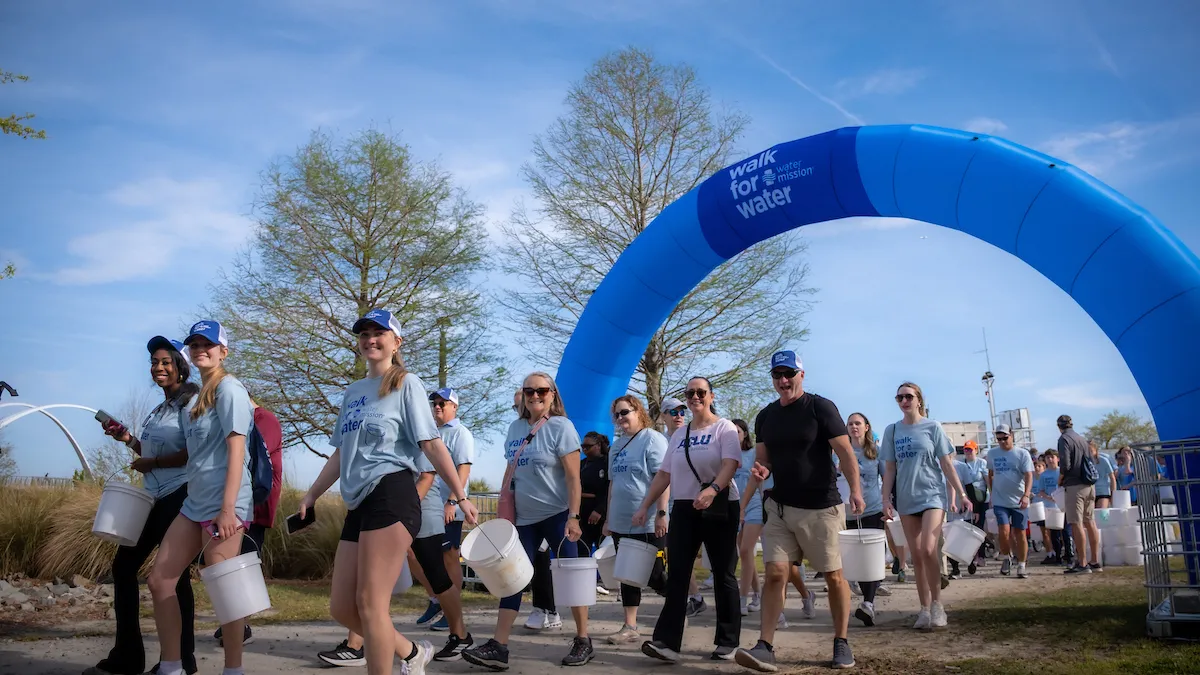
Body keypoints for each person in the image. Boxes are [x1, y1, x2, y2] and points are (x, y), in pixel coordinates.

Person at [298, 309, 477, 675]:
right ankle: (410, 651)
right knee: (341, 608)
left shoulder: (405, 383)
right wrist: (311, 494)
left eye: (379, 332)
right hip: (358, 501)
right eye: (364, 333)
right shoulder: (353, 392)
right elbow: (341, 452)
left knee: (370, 604)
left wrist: (460, 495)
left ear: (397, 342)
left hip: (392, 493)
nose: (370, 339)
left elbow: (431, 444)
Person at [735, 351, 861, 672]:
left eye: (789, 373)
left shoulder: (821, 408)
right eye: (777, 375)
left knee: (834, 576)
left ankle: (841, 641)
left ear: (801, 374)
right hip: (779, 507)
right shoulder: (765, 416)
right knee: (776, 572)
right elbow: (763, 461)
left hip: (822, 506)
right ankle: (765, 646)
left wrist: (856, 491)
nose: (783, 380)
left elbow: (845, 453)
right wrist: (758, 479)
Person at [461, 372, 593, 670]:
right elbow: (511, 472)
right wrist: (503, 512)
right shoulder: (515, 428)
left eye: (542, 390)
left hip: (557, 514)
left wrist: (574, 517)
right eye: (529, 390)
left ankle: (583, 639)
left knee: (570, 577)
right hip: (523, 519)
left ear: (553, 394)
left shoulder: (562, 427)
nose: (535, 395)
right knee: (512, 580)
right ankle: (499, 646)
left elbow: (574, 479)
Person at [84, 337, 200, 675]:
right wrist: (127, 439)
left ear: (180, 365)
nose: (158, 367)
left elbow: (196, 451)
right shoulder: (160, 407)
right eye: (154, 361)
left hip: (180, 494)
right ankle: (128, 657)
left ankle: (180, 660)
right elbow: (149, 456)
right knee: (124, 567)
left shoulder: (191, 402)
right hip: (154, 497)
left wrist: (155, 464)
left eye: (165, 361)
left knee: (174, 578)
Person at [145, 321, 254, 675]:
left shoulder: (229, 390)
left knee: (225, 591)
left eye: (207, 344)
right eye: (194, 344)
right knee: (160, 580)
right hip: (194, 504)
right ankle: (172, 666)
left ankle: (233, 669)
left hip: (226, 505)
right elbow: (196, 456)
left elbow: (236, 452)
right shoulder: (196, 401)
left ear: (223, 351)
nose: (199, 349)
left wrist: (227, 510)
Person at [633, 376, 741, 663]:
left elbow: (731, 463)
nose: (694, 397)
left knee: (723, 572)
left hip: (719, 504)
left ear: (711, 396)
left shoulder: (724, 427)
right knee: (678, 573)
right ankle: (667, 642)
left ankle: (728, 641)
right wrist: (646, 505)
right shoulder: (679, 435)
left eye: (700, 392)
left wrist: (713, 489)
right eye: (689, 393)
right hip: (684, 506)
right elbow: (665, 474)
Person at [881, 382, 971, 632]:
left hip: (932, 495)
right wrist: (886, 500)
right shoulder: (892, 431)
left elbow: (947, 464)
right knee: (916, 554)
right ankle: (923, 608)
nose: (904, 401)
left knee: (929, 548)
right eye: (899, 397)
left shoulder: (933, 427)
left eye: (908, 396)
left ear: (919, 399)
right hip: (906, 498)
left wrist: (962, 494)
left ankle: (937, 606)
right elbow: (889, 469)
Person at [215, 399, 283, 648]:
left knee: (243, 562)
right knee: (233, 563)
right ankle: (234, 622)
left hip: (255, 503)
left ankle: (239, 625)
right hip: (239, 501)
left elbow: (249, 456)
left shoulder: (264, 419)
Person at [601, 395, 669, 645]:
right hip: (621, 521)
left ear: (638, 412)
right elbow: (612, 484)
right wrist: (608, 519)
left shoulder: (652, 439)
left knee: (655, 575)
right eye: (616, 415)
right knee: (628, 575)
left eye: (625, 412)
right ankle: (630, 626)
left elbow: (663, 477)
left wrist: (661, 514)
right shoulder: (617, 446)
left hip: (648, 520)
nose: (620, 419)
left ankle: (678, 606)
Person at [411, 387, 476, 632]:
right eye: (434, 403)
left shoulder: (460, 433)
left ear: (454, 407)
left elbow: (463, 469)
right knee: (412, 553)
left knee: (449, 557)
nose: (437, 407)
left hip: (448, 506)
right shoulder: (429, 433)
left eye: (443, 403)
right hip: (427, 506)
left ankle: (452, 613)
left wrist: (451, 501)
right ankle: (437, 599)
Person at [658, 396, 708, 617]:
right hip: (669, 507)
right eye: (673, 412)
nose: (678, 416)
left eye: (681, 411)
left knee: (682, 557)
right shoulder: (660, 441)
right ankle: (692, 598)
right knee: (676, 558)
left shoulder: (691, 435)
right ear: (663, 416)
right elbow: (661, 477)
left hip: (694, 503)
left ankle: (694, 598)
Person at [846, 412, 886, 627]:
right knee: (856, 560)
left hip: (872, 509)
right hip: (847, 513)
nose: (854, 427)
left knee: (869, 558)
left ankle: (868, 604)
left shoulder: (876, 452)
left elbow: (886, 478)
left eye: (858, 423)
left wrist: (889, 503)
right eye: (850, 424)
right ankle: (864, 596)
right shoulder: (839, 452)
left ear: (867, 427)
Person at [986, 424, 1034, 580]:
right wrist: (992, 494)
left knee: (1020, 533)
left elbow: (1028, 475)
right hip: (1000, 500)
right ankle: (1006, 558)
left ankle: (1022, 564)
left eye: (1004, 438)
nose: (1001, 442)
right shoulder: (992, 453)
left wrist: (1026, 495)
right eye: (998, 439)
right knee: (1003, 531)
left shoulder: (1022, 454)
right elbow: (991, 474)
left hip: (1019, 500)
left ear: (1011, 435)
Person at [1056, 415, 1101, 574]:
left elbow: (1065, 465)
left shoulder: (1064, 439)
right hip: (1089, 484)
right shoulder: (1082, 439)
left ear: (1059, 426)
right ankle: (1095, 560)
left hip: (1074, 485)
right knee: (1090, 522)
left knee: (1076, 523)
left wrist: (1060, 479)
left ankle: (1082, 563)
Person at [732, 419, 763, 617]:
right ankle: (758, 595)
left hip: (754, 506)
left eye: (737, 432)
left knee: (745, 550)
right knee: (744, 554)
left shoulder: (753, 454)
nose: (734, 435)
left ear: (745, 434)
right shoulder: (725, 456)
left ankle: (742, 600)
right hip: (734, 508)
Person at [953, 440, 988, 576]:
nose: (967, 452)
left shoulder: (980, 463)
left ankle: (977, 556)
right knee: (957, 534)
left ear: (975, 450)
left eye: (970, 450)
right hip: (962, 500)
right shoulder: (962, 464)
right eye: (965, 450)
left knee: (976, 530)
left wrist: (989, 498)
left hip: (979, 499)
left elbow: (987, 481)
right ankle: (958, 565)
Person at [579, 431, 611, 564]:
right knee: (582, 549)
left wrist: (600, 510)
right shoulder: (582, 463)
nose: (584, 449)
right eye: (583, 446)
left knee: (603, 548)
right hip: (582, 511)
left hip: (600, 512)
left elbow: (609, 489)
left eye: (588, 446)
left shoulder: (607, 462)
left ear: (598, 445)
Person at [1092, 440, 1117, 509]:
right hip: (1091, 492)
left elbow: (1112, 478)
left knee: (1102, 515)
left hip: (1103, 491)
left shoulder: (1103, 460)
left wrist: (1113, 495)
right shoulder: (1085, 462)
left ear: (1095, 450)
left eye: (1091, 451)